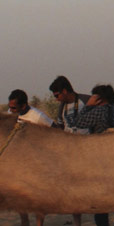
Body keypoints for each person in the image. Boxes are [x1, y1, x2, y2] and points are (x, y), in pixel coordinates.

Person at [75, 84, 114, 226]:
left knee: (101, 205)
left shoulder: (98, 111)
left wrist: (87, 106)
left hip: (100, 163)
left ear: (99, 99)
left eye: (93, 96)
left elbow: (78, 122)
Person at [49, 75, 90, 226]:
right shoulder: (62, 107)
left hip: (90, 153)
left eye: (57, 95)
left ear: (65, 91)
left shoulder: (86, 101)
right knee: (74, 193)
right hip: (71, 155)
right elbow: (60, 127)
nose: (56, 99)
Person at [8, 89, 52, 226]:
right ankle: (24, 221)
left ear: (24, 105)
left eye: (14, 108)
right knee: (20, 195)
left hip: (37, 162)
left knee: (38, 196)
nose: (11, 110)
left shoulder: (37, 117)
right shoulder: (11, 115)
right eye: (10, 107)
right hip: (19, 162)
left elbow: (55, 131)